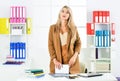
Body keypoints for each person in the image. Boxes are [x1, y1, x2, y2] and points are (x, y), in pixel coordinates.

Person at [48, 5, 81, 74]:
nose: (64, 13)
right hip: (57, 64)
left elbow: (78, 43)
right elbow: (50, 45)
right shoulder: (52, 28)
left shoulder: (73, 29)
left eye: (67, 12)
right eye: (62, 11)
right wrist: (54, 60)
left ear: (69, 15)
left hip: (72, 64)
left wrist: (74, 57)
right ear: (59, 13)